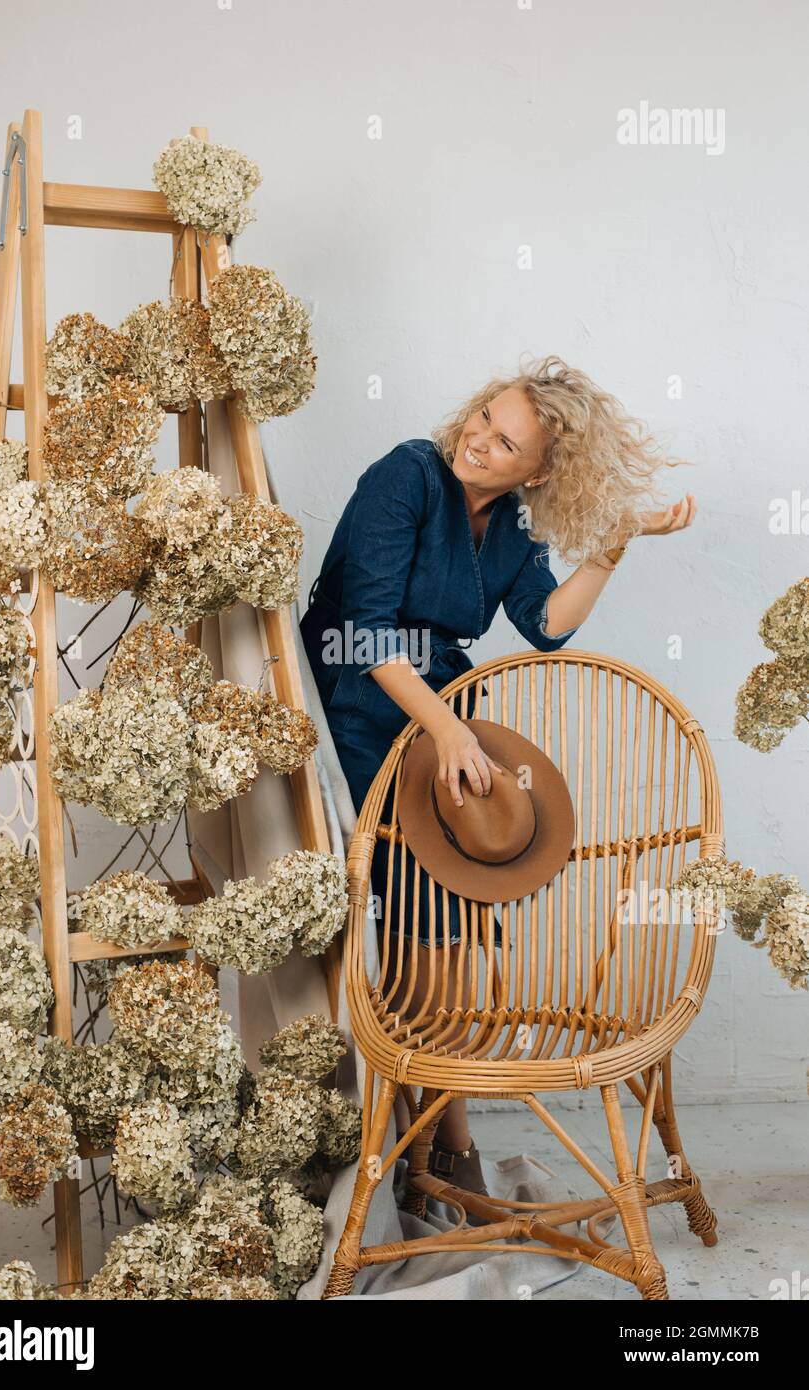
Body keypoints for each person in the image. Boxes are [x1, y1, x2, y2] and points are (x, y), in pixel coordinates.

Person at [299, 355, 695, 1195]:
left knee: (441, 923)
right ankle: (445, 1144)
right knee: (422, 910)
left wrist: (615, 547)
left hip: (436, 714)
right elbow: (364, 634)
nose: (478, 440)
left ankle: (436, 1139)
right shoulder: (405, 474)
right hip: (357, 704)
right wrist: (446, 731)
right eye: (483, 417)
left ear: (539, 469)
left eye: (504, 439)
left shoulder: (511, 524)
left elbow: (547, 625)